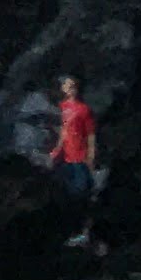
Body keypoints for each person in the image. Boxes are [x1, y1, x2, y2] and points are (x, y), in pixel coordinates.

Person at [48, 74, 103, 251]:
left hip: (79, 157)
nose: (70, 89)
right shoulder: (61, 108)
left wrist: (91, 156)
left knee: (81, 194)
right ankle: (70, 233)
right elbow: (62, 132)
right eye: (66, 86)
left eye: (72, 86)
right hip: (64, 159)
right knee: (65, 195)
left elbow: (90, 134)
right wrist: (55, 151)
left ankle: (84, 232)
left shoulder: (83, 109)